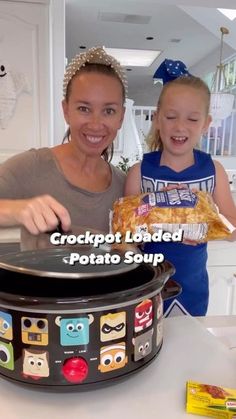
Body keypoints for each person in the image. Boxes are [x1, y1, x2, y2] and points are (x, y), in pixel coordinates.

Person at [125, 73, 236, 317]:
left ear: (206, 124)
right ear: (157, 119)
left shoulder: (213, 171)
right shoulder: (140, 172)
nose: (180, 126)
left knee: (190, 349)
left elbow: (233, 229)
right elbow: (125, 239)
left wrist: (203, 220)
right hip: (146, 289)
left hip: (193, 289)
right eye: (171, 116)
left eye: (192, 119)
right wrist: (154, 209)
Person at [0, 47, 127, 235]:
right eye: (84, 108)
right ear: (66, 111)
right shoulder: (31, 167)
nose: (95, 124)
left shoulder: (123, 186)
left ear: (121, 118)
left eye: (108, 111)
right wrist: (16, 210)